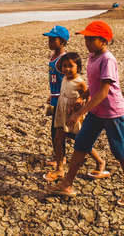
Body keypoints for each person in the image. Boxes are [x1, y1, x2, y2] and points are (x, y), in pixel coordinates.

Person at [49, 20, 124, 206]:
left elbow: (104, 91)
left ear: (104, 41)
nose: (87, 42)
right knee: (81, 143)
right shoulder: (92, 56)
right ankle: (67, 184)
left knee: (118, 149)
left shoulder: (108, 59)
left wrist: (79, 112)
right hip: (96, 110)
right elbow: (94, 85)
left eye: (92, 39)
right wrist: (83, 95)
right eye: (86, 38)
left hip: (111, 112)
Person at [43, 52, 108, 182]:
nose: (66, 69)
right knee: (58, 138)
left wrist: (79, 107)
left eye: (70, 66)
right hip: (62, 113)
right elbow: (63, 92)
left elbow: (87, 97)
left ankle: (100, 162)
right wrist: (53, 97)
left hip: (72, 115)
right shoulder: (64, 78)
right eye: (64, 66)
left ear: (78, 67)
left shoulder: (80, 82)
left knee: (81, 141)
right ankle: (60, 169)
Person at [43, 25, 69, 165]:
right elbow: (55, 81)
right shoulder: (54, 56)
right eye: (49, 40)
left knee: (58, 131)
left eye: (53, 40)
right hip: (55, 98)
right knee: (56, 130)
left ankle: (61, 158)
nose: (50, 42)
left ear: (63, 42)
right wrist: (51, 94)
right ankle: (59, 156)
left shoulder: (64, 60)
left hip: (62, 100)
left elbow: (67, 80)